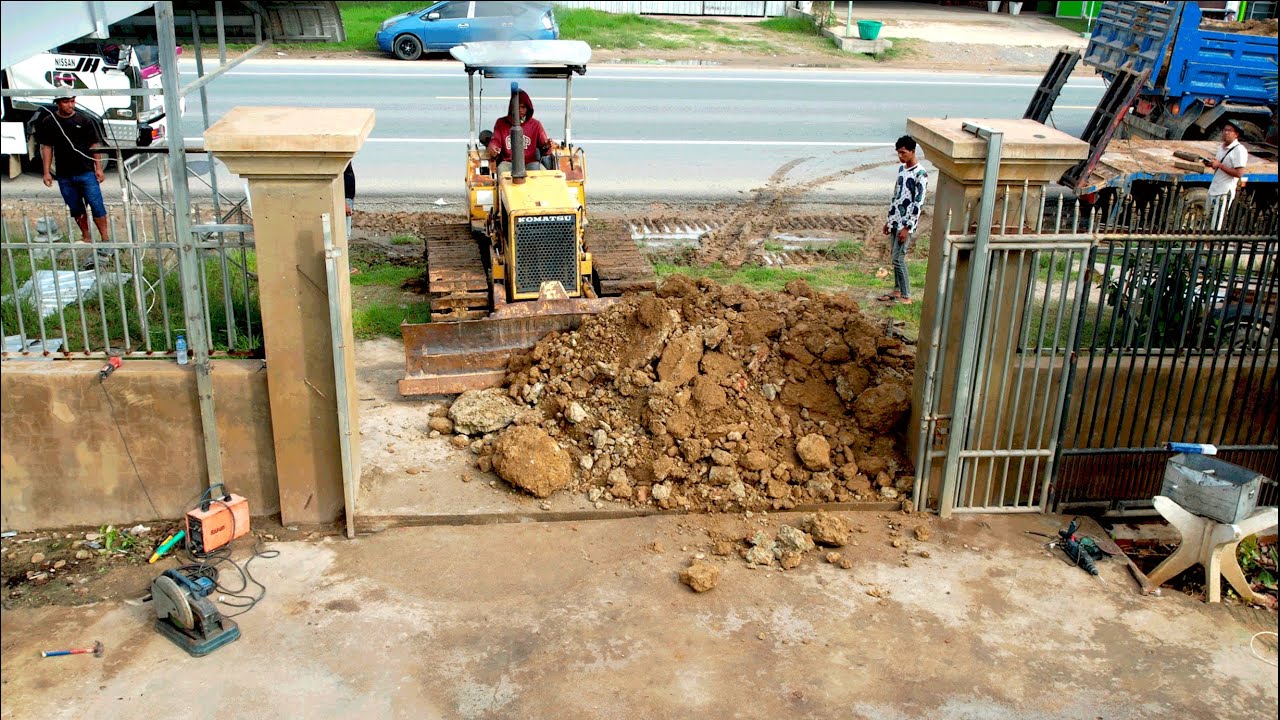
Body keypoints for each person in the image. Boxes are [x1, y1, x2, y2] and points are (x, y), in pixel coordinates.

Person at [36, 94, 110, 251]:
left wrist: (98, 168)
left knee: (96, 205)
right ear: (58, 103)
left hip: (86, 172)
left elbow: (94, 144)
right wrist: (46, 172)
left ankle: (105, 239)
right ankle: (86, 236)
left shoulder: (84, 120)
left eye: (72, 101)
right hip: (64, 174)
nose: (70, 105)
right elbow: (47, 147)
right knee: (76, 208)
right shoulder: (49, 121)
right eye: (66, 102)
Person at [880, 135, 927, 305]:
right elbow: (896, 196)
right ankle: (897, 290)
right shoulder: (902, 169)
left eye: (903, 153)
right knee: (894, 257)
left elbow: (918, 203)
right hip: (895, 221)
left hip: (905, 225)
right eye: (898, 153)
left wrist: (907, 227)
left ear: (912, 151)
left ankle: (906, 295)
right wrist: (889, 221)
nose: (900, 156)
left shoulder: (920, 174)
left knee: (898, 259)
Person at [487, 89, 555, 174]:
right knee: (502, 170)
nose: (520, 110)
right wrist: (493, 147)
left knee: (541, 174)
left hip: (530, 163)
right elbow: (495, 140)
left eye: (523, 107)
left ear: (528, 108)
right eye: (517, 107)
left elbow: (544, 146)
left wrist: (547, 145)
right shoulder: (501, 123)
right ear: (512, 107)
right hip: (508, 162)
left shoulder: (536, 125)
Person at [1203, 119, 1248, 230]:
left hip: (1224, 192)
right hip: (1214, 188)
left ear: (1236, 134)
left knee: (1215, 225)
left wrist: (1219, 165)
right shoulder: (1221, 147)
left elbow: (1239, 173)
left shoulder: (1239, 150)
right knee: (1206, 222)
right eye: (1225, 130)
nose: (1226, 133)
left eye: (1229, 131)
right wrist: (1212, 163)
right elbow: (1219, 164)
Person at [344, 162, 355, 237]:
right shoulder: (342, 170)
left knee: (347, 230)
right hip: (346, 200)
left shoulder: (348, 169)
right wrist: (345, 205)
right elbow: (339, 188)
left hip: (349, 200)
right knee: (347, 233)